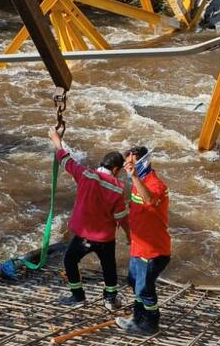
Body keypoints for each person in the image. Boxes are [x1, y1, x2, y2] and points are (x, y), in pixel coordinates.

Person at [47, 127, 128, 310]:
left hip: (84, 235)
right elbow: (121, 217)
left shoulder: (85, 174)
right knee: (109, 267)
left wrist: (55, 138)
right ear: (116, 169)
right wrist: (130, 236)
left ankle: (78, 297)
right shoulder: (118, 188)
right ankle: (110, 300)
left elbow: (64, 159)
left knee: (70, 260)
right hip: (106, 238)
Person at [116, 145, 170, 335]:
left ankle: (152, 324)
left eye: (130, 164)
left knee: (145, 289)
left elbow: (149, 200)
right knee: (134, 282)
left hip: (153, 250)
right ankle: (138, 318)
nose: (126, 168)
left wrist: (134, 177)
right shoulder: (139, 182)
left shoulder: (156, 185)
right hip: (138, 246)